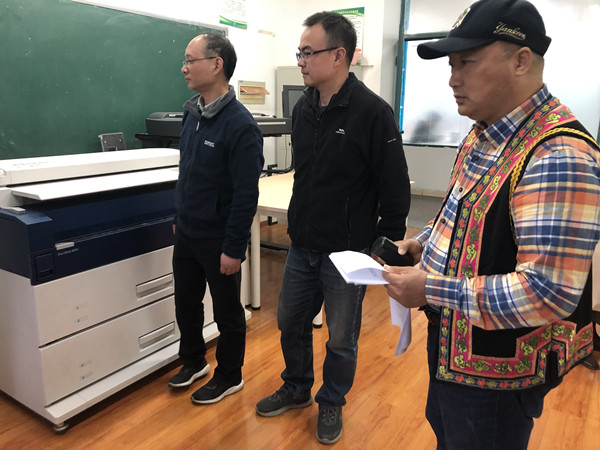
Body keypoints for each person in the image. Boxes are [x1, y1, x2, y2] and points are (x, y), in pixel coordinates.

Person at [383, 0, 600, 448]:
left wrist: (430, 289)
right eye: (451, 64)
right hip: (454, 343)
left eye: (467, 61)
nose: (452, 78)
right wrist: (424, 242)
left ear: (521, 60)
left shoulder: (558, 155)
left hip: (498, 372)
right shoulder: (486, 129)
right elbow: (463, 210)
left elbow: (548, 291)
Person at [255, 11, 411, 445]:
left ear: (339, 55)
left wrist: (382, 244)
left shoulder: (372, 112)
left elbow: (395, 186)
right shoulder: (303, 108)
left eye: (308, 52)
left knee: (341, 337)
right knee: (290, 322)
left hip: (347, 252)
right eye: (299, 52)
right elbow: (306, 175)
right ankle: (297, 387)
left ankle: (332, 401)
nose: (300, 61)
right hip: (303, 243)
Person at [168, 33, 264, 405]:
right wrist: (180, 215)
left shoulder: (240, 125)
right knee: (186, 302)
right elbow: (187, 173)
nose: (184, 68)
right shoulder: (192, 113)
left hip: (218, 238)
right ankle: (194, 361)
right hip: (188, 232)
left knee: (227, 312)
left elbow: (246, 194)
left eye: (190, 60)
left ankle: (229, 375)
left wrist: (234, 248)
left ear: (216, 64)